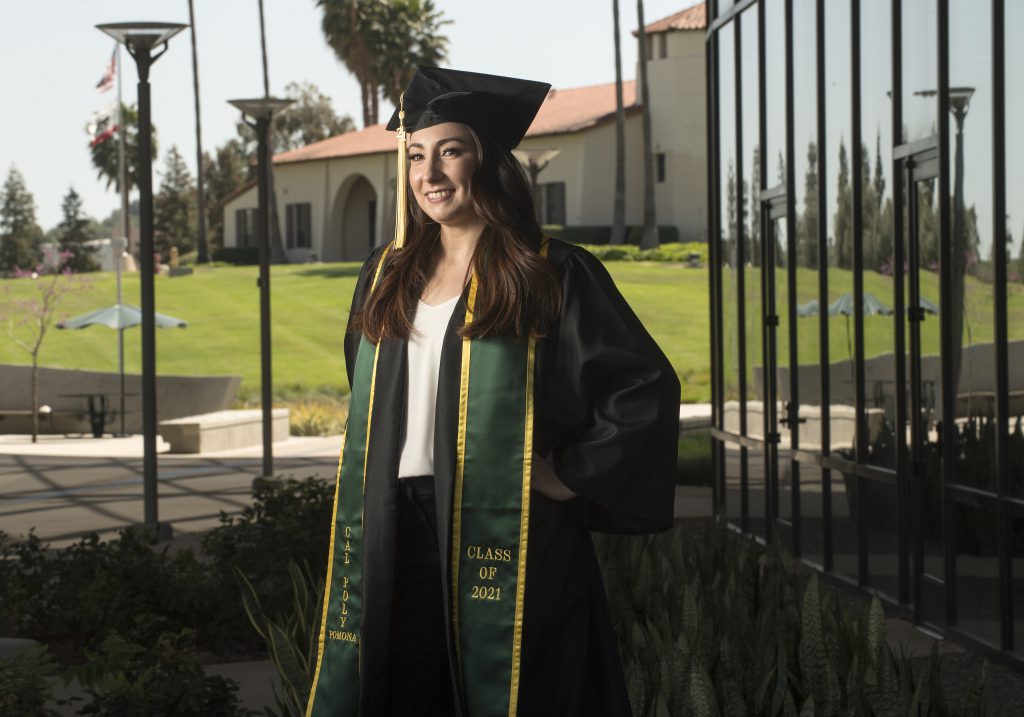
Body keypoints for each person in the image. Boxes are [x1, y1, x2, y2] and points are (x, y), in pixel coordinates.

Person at [306, 66, 680, 717]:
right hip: (395, 524)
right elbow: (368, 387)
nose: (429, 173)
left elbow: (642, 385)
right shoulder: (386, 272)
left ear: (489, 162)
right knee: (405, 693)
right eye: (416, 155)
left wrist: (569, 472)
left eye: (450, 151)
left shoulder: (550, 271)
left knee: (515, 692)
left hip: (508, 527)